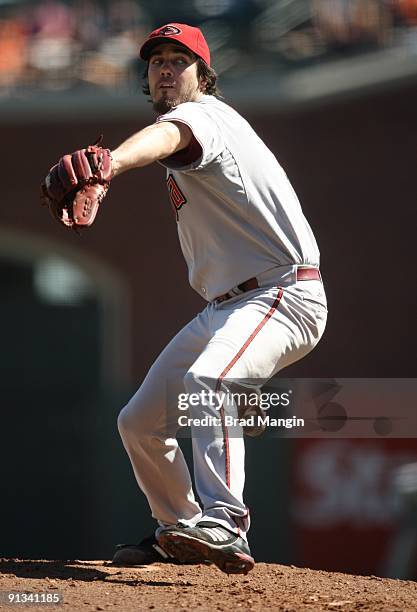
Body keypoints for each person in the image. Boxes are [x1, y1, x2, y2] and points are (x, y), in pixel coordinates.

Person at [108, 22, 328, 574]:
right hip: (226, 307)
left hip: (283, 293)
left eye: (178, 59)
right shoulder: (188, 122)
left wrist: (107, 165)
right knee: (138, 422)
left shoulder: (205, 116)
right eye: (156, 59)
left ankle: (225, 522)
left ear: (202, 75)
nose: (164, 67)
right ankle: (179, 528)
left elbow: (168, 136)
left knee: (210, 380)